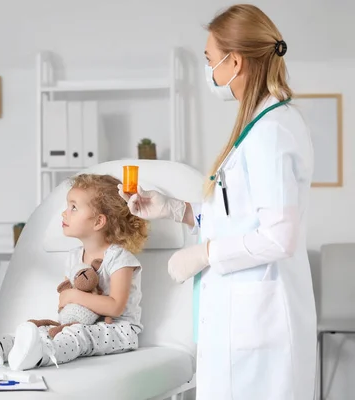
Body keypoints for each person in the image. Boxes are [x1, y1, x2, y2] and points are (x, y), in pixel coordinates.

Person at [120, 4, 316, 399]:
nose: (208, 69)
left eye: (210, 59)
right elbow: (239, 214)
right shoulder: (258, 125)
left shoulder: (272, 132)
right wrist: (177, 210)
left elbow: (279, 237)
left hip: (260, 328)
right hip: (243, 322)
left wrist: (204, 254)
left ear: (235, 61)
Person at [0, 174, 148, 370]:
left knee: (78, 336)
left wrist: (73, 295)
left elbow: (115, 307)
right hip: (80, 323)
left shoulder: (119, 258)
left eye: (73, 207)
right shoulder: (74, 256)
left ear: (98, 221)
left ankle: (40, 355)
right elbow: (65, 300)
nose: (64, 213)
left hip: (117, 330)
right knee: (41, 330)